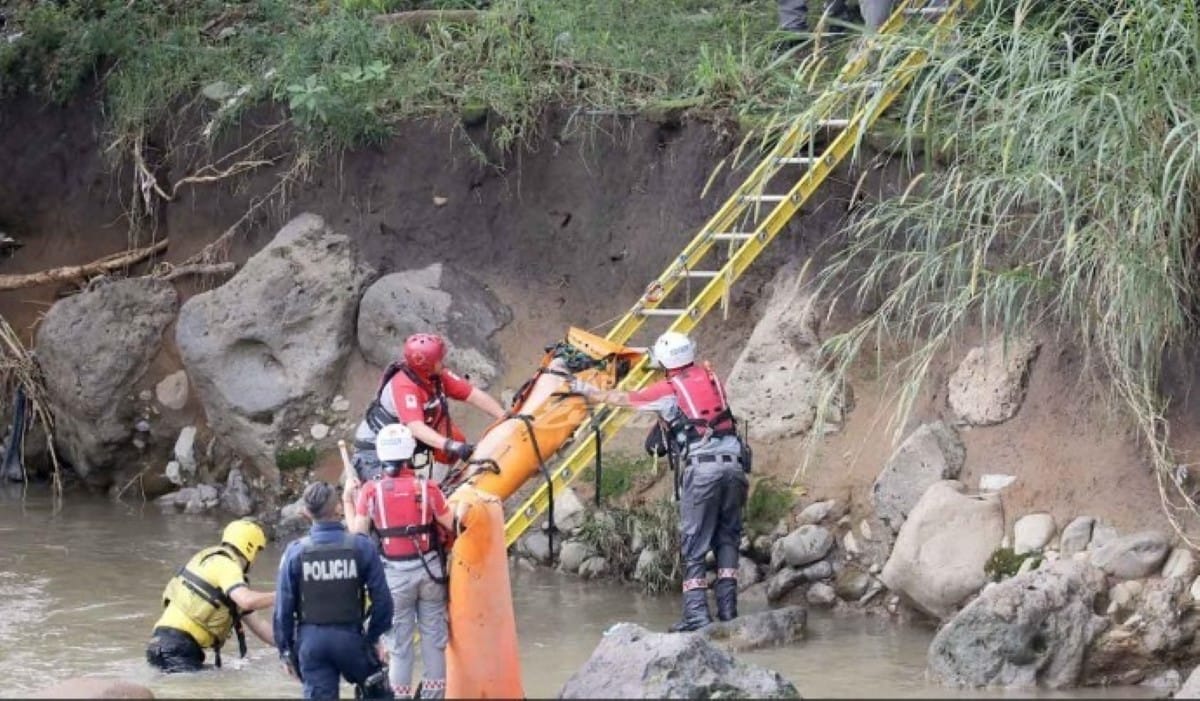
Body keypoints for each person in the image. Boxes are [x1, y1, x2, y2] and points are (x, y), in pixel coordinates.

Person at [573, 331, 749, 632]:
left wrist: (583, 389)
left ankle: (696, 614)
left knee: (694, 541)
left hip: (703, 470)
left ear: (665, 361)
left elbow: (619, 398)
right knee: (727, 537)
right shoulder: (712, 379)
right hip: (735, 467)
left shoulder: (668, 390)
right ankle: (728, 611)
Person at [348, 424, 457, 699]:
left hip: (394, 578)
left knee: (400, 646)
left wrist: (349, 500)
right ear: (409, 452)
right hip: (430, 573)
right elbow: (452, 524)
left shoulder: (370, 492)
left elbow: (358, 538)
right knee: (435, 642)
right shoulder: (428, 488)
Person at [275, 482, 394, 700]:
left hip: (312, 644)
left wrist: (286, 652)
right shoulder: (362, 546)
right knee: (378, 690)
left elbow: (283, 610)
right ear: (339, 508)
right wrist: (374, 637)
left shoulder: (295, 552)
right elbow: (383, 601)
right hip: (352, 640)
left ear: (306, 512)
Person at [352, 333, 506, 483]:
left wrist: (504, 416)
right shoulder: (404, 386)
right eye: (439, 360)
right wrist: (449, 445)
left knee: (453, 442)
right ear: (426, 366)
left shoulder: (436, 376)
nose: (443, 362)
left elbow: (472, 395)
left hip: (404, 438)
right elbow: (415, 427)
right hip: (377, 448)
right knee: (396, 487)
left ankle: (438, 486)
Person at [146, 519, 276, 673]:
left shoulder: (212, 563)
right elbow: (247, 601)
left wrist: (293, 644)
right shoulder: (227, 566)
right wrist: (283, 595)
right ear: (251, 548)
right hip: (177, 649)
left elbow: (260, 626)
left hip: (160, 645)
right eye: (258, 552)